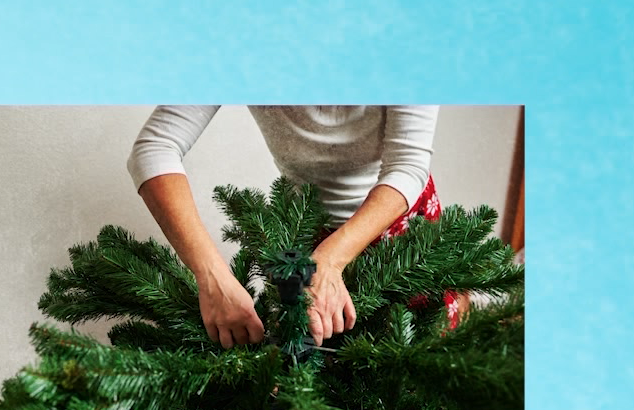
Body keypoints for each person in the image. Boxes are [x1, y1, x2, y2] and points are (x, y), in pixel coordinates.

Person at [129, 105, 456, 350]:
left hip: (402, 227)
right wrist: (212, 277)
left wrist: (330, 261)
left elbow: (407, 167)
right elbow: (154, 148)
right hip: (302, 230)